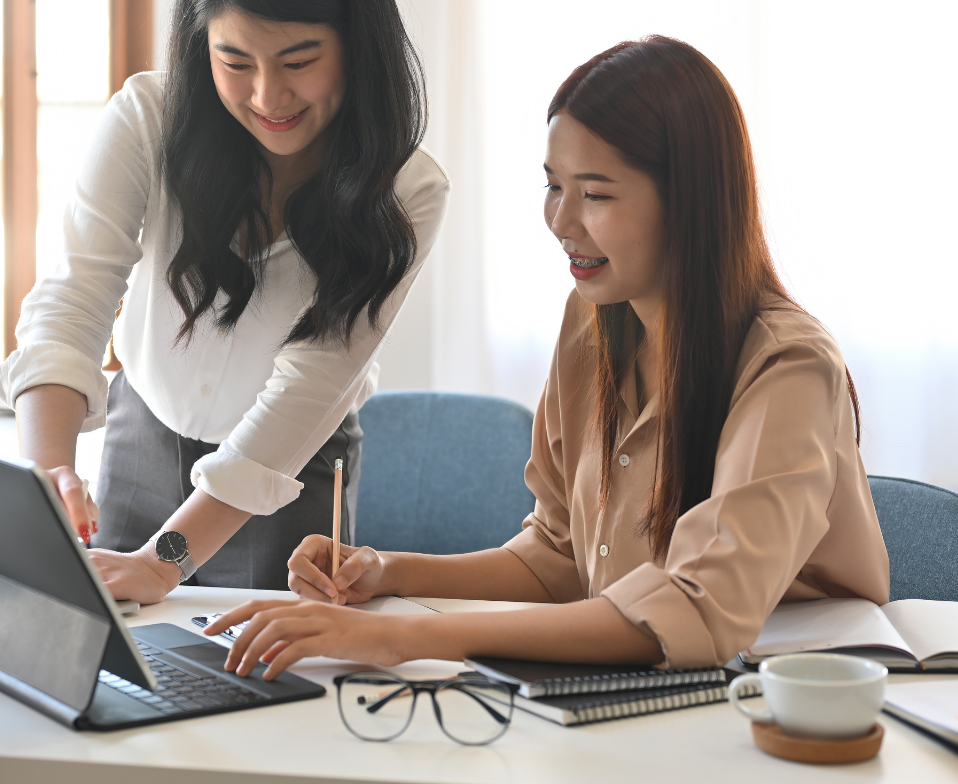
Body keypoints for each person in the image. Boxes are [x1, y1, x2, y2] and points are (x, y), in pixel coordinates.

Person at [207, 35, 890, 676]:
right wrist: (387, 572)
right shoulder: (593, 321)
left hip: (787, 703)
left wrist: (405, 637)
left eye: (593, 194)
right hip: (646, 696)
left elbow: (700, 610)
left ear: (691, 203)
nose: (560, 222)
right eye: (552, 186)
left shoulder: (789, 367)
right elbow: (560, 557)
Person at [0, 0, 448, 603]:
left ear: (357, 45)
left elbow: (309, 388)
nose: (269, 95)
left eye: (299, 59)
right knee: (118, 662)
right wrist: (48, 471)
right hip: (142, 429)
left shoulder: (405, 191)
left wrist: (165, 558)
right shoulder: (148, 120)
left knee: (269, 684)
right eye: (235, 61)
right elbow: (74, 297)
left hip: (289, 464)